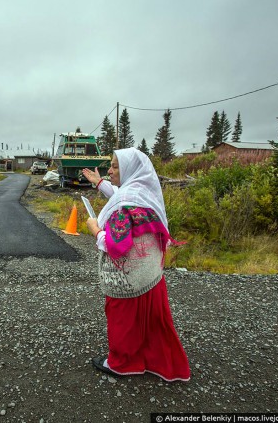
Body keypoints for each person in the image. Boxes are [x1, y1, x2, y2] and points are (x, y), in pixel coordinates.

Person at [82, 148, 190, 382]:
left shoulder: (123, 204)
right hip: (150, 273)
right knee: (152, 321)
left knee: (123, 321)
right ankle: (156, 362)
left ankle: (121, 364)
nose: (110, 170)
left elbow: (116, 247)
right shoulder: (144, 192)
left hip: (127, 276)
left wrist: (96, 230)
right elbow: (121, 192)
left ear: (130, 169)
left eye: (115, 166)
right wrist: (99, 182)